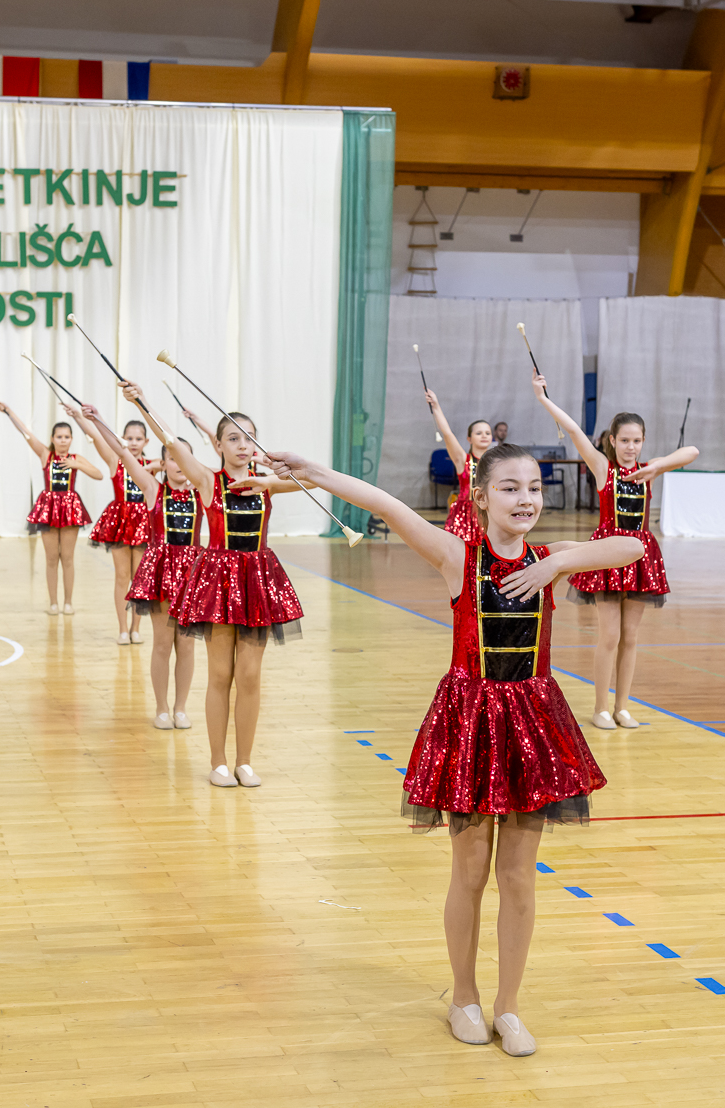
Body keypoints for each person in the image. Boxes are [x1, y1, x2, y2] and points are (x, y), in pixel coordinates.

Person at [262, 443, 641, 1056]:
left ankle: (508, 1007)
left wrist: (551, 568)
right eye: (511, 488)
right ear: (481, 497)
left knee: (518, 876)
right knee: (470, 870)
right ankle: (463, 995)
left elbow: (630, 546)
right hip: (470, 726)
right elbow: (385, 503)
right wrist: (316, 473)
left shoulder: (552, 558)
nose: (526, 499)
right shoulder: (457, 556)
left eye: (535, 488)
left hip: (531, 725)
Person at [120, 382, 301, 787]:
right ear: (217, 444)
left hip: (256, 583)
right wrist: (141, 402)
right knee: (221, 674)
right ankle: (219, 760)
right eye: (232, 438)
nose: (242, 445)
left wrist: (280, 471)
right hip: (219, 584)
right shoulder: (207, 481)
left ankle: (245, 761)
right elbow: (170, 440)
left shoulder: (267, 483)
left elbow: (316, 481)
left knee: (251, 676)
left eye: (248, 438)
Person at [534, 376, 697, 730]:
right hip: (607, 555)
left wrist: (658, 464)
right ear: (612, 440)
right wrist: (543, 397)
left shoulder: (648, 470)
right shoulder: (603, 469)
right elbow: (575, 431)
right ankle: (601, 708)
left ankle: (623, 706)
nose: (631, 447)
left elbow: (692, 453)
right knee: (609, 636)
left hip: (640, 555)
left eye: (637, 441)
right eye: (625, 440)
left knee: (631, 636)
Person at [81, 403, 203, 728]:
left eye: (184, 458)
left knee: (187, 646)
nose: (179, 465)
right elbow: (122, 452)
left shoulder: (204, 492)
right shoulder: (153, 489)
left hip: (192, 575)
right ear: (163, 462)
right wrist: (100, 420)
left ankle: (181, 707)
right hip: (163, 574)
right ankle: (162, 707)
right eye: (172, 458)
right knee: (163, 644)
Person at [0, 399, 103, 614]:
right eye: (59, 437)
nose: (63, 440)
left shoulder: (76, 458)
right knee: (52, 558)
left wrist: (77, 464)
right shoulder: (46, 455)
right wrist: (9, 411)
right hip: (49, 509)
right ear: (53, 439)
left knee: (68, 558)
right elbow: (26, 434)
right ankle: (53, 602)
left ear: (72, 439)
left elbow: (99, 475)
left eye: (67, 437)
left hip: (71, 508)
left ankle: (68, 602)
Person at [71, 405, 155, 644]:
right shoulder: (114, 460)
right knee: (122, 576)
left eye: (139, 438)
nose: (134, 442)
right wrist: (81, 417)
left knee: (139, 577)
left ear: (146, 441)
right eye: (129, 438)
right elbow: (97, 436)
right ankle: (122, 628)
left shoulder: (155, 464)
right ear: (122, 439)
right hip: (121, 521)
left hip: (144, 524)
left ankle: (136, 627)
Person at [427, 387, 494, 543]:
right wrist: (436, 406)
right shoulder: (463, 460)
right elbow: (448, 433)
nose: (484, 436)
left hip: (490, 514)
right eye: (479, 433)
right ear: (469, 438)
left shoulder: (497, 463)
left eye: (487, 433)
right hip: (465, 515)